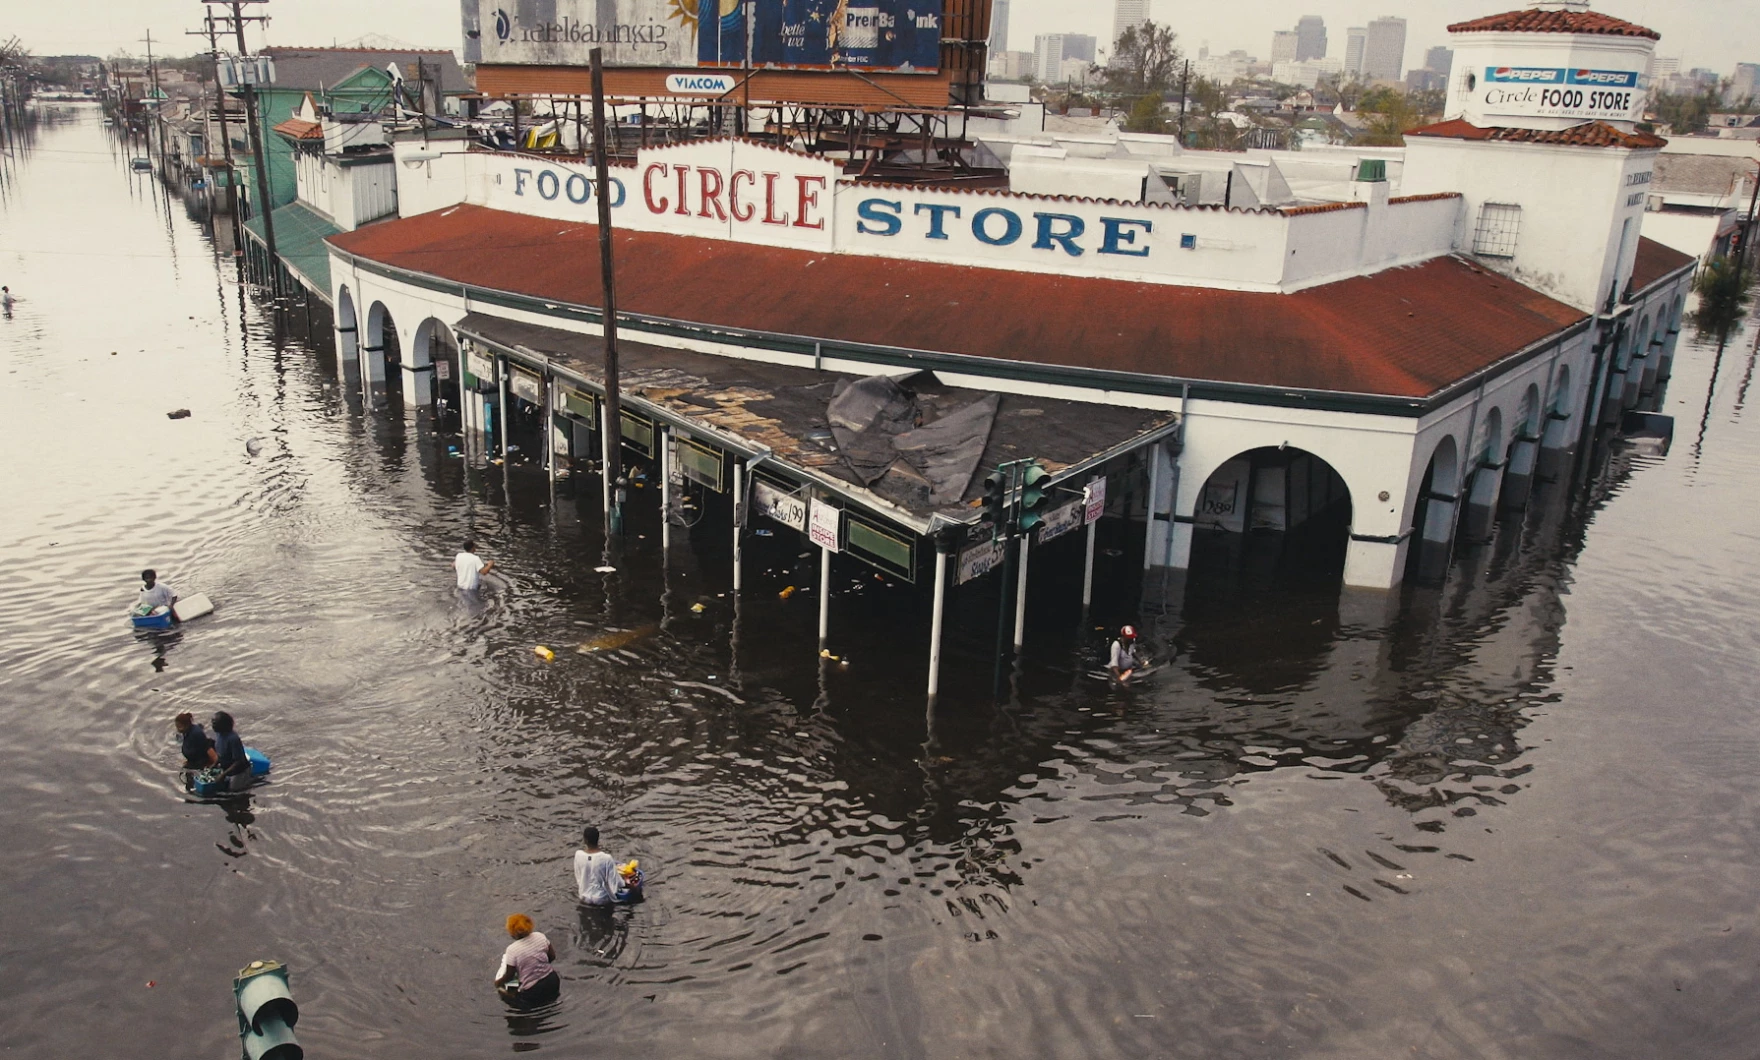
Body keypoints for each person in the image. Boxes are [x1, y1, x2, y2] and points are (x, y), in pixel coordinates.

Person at [494, 914, 560, 1008]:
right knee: (551, 1000)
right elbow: (552, 956)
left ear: (512, 932)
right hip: (552, 980)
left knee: (505, 995)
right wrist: (538, 967)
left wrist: (497, 983)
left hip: (532, 990)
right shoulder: (540, 936)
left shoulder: (512, 950)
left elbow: (509, 976)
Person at [574, 826, 625, 906]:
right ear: (598, 839)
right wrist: (628, 884)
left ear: (585, 840)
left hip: (584, 897)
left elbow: (578, 877)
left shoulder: (578, 855)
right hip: (601, 899)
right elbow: (615, 884)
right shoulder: (606, 858)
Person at [210, 711, 253, 793]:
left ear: (223, 725)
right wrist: (214, 764)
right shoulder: (219, 734)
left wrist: (223, 775)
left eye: (215, 723)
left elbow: (238, 761)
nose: (212, 726)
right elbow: (220, 754)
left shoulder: (233, 739)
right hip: (227, 769)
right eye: (212, 723)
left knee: (234, 792)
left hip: (238, 772)